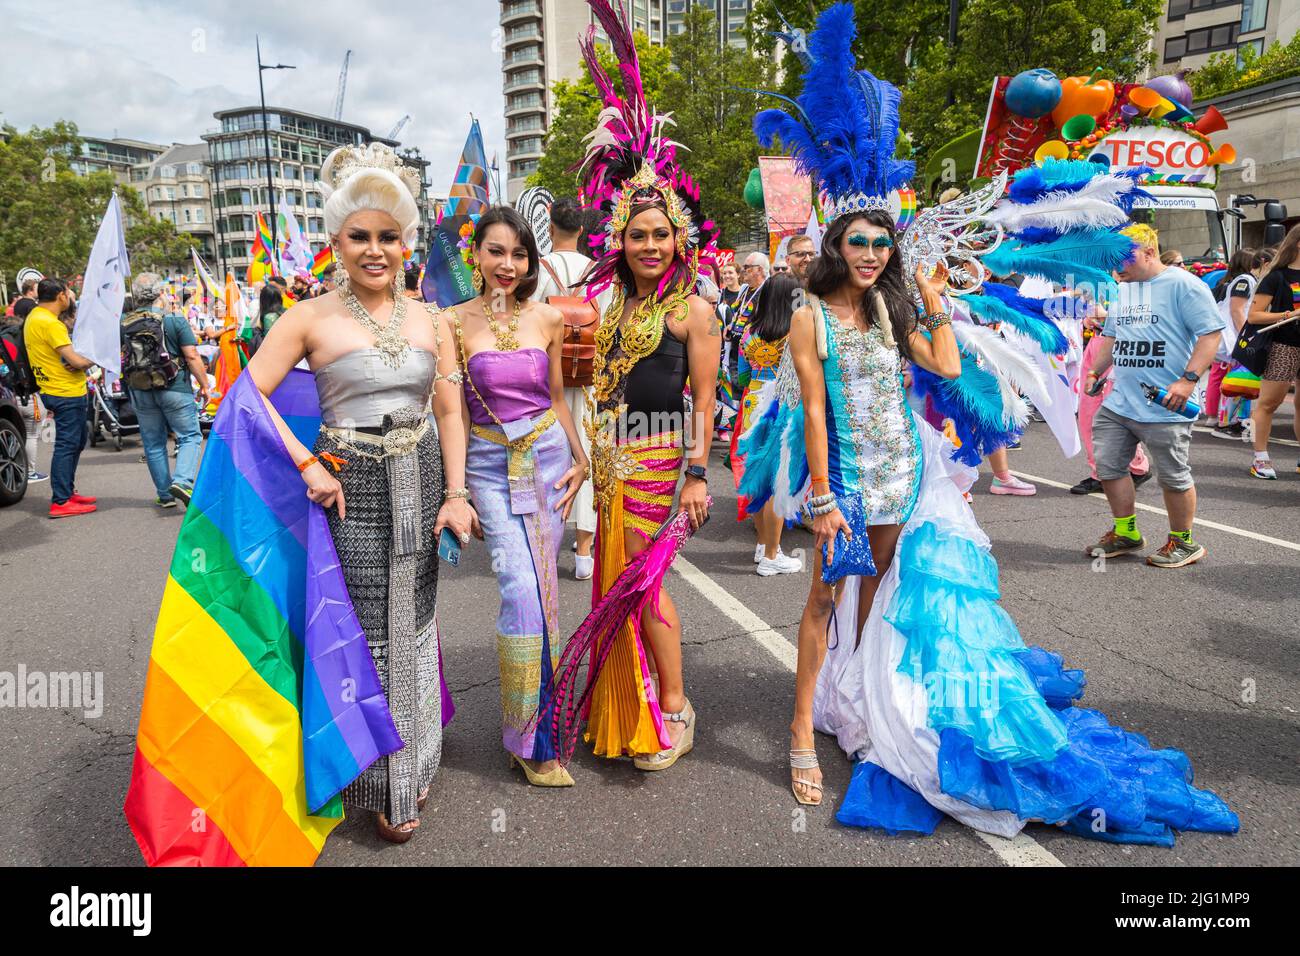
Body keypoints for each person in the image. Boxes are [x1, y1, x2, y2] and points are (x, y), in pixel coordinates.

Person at [740, 3, 1236, 846]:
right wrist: (821, 493)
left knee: (874, 601)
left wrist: (931, 303)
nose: (869, 255)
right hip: (849, 483)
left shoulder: (890, 308)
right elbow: (815, 411)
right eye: (858, 243)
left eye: (880, 246)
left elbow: (937, 369)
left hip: (903, 475)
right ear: (835, 244)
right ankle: (798, 729)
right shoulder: (811, 316)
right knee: (824, 600)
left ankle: (855, 699)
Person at [242, 142, 476, 842]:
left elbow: (450, 410)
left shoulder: (432, 319)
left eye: (388, 236)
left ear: (406, 241)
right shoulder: (308, 317)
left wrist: (457, 493)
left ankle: (417, 760)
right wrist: (307, 463)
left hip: (424, 476)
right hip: (351, 487)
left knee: (419, 622)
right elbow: (246, 398)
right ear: (337, 242)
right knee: (364, 630)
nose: (375, 250)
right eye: (360, 237)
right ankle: (374, 779)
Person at [552, 0, 720, 773]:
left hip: (660, 468)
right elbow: (586, 387)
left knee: (645, 595)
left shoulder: (696, 311)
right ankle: (632, 707)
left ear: (679, 238)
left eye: (660, 234)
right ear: (616, 240)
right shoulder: (605, 306)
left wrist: (695, 472)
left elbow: (706, 401)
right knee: (614, 596)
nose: (649, 244)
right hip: (613, 468)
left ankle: (676, 709)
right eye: (636, 233)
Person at [448, 205, 589, 786]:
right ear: (475, 255)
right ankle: (523, 736)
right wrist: (456, 490)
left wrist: (581, 458)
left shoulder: (548, 319)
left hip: (550, 463)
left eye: (519, 254)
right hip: (489, 467)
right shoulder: (451, 323)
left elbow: (557, 395)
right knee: (521, 596)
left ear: (531, 261)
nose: (508, 264)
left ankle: (543, 729)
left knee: (549, 593)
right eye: (496, 251)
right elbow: (451, 411)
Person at [1083, 224, 1223, 568]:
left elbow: (1211, 335)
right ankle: (1126, 532)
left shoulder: (1183, 285)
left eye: (1124, 259)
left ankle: (1183, 542)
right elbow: (1112, 339)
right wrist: (1093, 371)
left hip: (1165, 403)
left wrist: (1188, 380)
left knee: (1173, 475)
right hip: (1119, 403)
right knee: (1109, 467)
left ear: (1149, 252)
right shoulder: (1125, 290)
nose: (1118, 268)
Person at [533, 195, 603, 580]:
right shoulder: (598, 271)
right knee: (586, 454)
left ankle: (545, 542)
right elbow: (607, 327)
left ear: (550, 226)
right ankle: (584, 552)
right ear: (581, 229)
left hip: (548, 378)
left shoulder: (539, 270)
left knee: (548, 456)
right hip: (590, 376)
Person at [121, 274, 211, 508]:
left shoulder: (124, 322)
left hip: (140, 388)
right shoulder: (173, 320)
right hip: (175, 387)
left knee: (153, 443)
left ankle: (164, 494)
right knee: (189, 435)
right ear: (160, 293)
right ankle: (182, 481)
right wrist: (204, 384)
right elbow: (191, 355)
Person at [735, 272, 802, 574]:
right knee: (778, 480)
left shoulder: (748, 333)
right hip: (782, 405)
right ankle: (772, 556)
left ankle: (763, 544)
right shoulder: (795, 332)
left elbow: (741, 376)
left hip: (752, 403)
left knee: (758, 475)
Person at [23, 278, 96, 518]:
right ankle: (61, 500)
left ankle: (66, 491)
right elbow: (76, 361)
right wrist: (97, 358)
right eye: (69, 293)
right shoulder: (50, 323)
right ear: (61, 296)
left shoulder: (34, 316)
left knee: (75, 441)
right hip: (66, 391)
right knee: (67, 444)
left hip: (52, 389)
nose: (71, 297)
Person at [1071, 296, 1151, 495]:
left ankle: (1135, 466)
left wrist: (1105, 316)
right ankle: (1102, 472)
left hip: (1122, 349)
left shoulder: (1140, 285)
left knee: (1117, 414)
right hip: (1098, 344)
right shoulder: (1101, 283)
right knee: (1089, 414)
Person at [1247, 225, 1300, 479]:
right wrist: (1290, 314)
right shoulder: (1276, 277)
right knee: (1269, 403)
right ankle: (1260, 458)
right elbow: (1254, 316)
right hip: (1283, 346)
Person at [1206, 247, 1268, 440]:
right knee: (1235, 382)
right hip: (1238, 339)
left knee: (1240, 381)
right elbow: (1237, 310)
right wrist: (1247, 338)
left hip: (1239, 339)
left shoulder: (1251, 281)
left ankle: (1235, 421)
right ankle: (1226, 424)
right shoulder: (1245, 281)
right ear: (1264, 263)